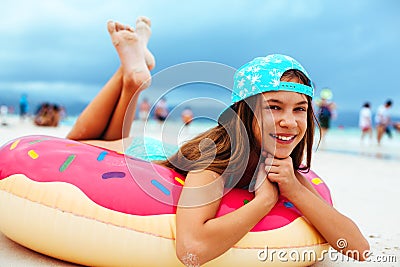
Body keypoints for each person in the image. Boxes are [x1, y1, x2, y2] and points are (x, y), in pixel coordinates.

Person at [66, 18, 369, 265]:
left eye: (299, 109)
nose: (289, 121)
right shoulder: (215, 162)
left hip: (167, 149)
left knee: (107, 132)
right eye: (274, 107)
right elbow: (191, 251)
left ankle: (132, 77)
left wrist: (294, 190)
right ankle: (130, 78)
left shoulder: (284, 166)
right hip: (141, 153)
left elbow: (359, 249)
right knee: (79, 141)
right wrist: (264, 202)